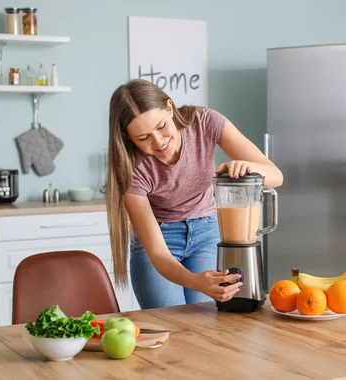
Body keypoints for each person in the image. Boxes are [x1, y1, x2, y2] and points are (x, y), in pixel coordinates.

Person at [106, 79, 283, 309]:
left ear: (170, 108)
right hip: (162, 240)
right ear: (128, 137)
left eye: (161, 127)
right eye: (143, 138)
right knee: (173, 326)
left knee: (206, 325)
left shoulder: (204, 122)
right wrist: (196, 282)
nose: (158, 142)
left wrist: (246, 167)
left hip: (208, 232)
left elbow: (276, 176)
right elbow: (159, 254)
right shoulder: (131, 167)